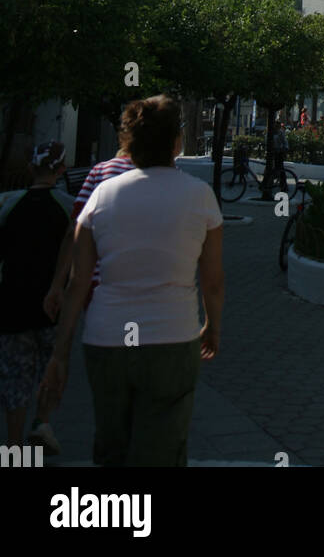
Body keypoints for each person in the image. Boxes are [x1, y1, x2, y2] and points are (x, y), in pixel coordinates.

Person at [39, 96, 224, 468]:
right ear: (176, 142)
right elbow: (214, 280)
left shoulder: (102, 195)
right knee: (163, 451)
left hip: (106, 341)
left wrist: (60, 354)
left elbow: (78, 283)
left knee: (112, 450)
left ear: (129, 142)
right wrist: (211, 326)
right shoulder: (199, 196)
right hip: (172, 339)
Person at [0, 141, 73, 455]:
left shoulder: (7, 204)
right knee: (52, 369)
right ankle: (42, 423)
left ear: (30, 168)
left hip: (12, 305)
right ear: (62, 169)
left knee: (15, 381)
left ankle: (14, 451)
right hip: (54, 306)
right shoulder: (70, 207)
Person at [44, 133, 136, 322]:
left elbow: (75, 231)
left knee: (110, 344)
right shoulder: (171, 178)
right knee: (131, 340)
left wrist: (58, 285)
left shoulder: (102, 171)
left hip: (102, 288)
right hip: (146, 292)